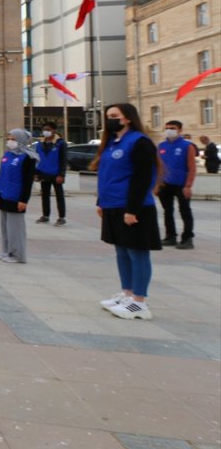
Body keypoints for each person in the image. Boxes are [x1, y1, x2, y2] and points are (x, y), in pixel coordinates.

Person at [93, 103, 161, 320]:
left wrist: (132, 209)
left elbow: (143, 178)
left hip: (133, 206)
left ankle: (139, 302)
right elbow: (106, 175)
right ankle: (127, 293)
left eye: (115, 115)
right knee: (121, 251)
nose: (110, 120)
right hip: (112, 205)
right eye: (108, 116)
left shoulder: (140, 142)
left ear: (128, 118)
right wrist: (101, 202)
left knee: (137, 252)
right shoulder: (111, 142)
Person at [0, 129, 38, 263]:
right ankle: (7, 251)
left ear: (20, 140)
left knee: (15, 229)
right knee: (5, 227)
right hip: (3, 194)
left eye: (13, 139)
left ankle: (18, 255)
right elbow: (1, 175)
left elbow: (28, 181)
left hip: (16, 196)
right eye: (8, 139)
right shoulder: (7, 155)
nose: (10, 141)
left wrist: (23, 200)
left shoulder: (28, 157)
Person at [158, 120, 196, 249]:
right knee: (167, 211)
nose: (169, 130)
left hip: (181, 184)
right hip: (165, 184)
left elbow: (192, 167)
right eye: (167, 128)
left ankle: (187, 238)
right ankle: (170, 236)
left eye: (172, 128)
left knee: (185, 211)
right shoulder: (162, 146)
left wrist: (188, 185)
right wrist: (157, 184)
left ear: (179, 130)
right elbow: (158, 166)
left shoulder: (187, 146)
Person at [34, 122, 67, 226]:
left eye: (48, 129)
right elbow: (37, 159)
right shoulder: (39, 143)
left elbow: (63, 160)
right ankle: (45, 215)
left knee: (59, 196)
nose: (46, 131)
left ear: (54, 130)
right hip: (43, 173)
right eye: (44, 129)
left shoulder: (60, 143)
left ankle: (61, 217)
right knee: (45, 196)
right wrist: (36, 173)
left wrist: (61, 174)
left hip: (56, 174)